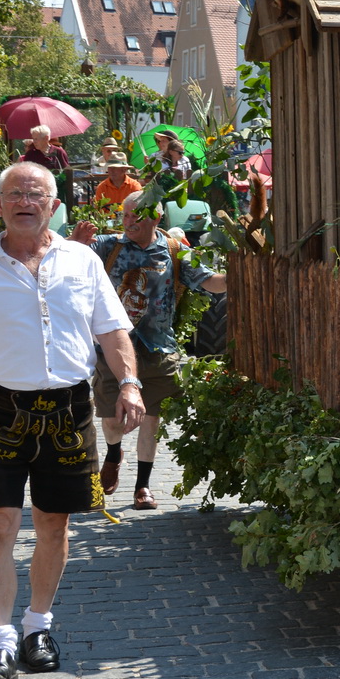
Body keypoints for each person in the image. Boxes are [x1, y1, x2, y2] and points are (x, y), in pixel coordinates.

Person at [0, 161, 145, 679]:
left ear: (53, 204)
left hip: (69, 411)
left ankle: (37, 629)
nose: (26, 200)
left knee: (54, 526)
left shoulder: (83, 260)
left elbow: (113, 331)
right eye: (15, 193)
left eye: (37, 193)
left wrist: (131, 384)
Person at [71, 191, 225, 511]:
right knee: (113, 418)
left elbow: (210, 282)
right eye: (125, 215)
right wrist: (75, 240)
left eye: (136, 216)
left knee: (151, 419)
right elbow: (64, 262)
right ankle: (114, 454)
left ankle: (143, 485)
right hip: (113, 347)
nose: (128, 222)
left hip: (159, 346)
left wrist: (239, 275)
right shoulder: (107, 246)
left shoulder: (173, 251)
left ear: (155, 218)